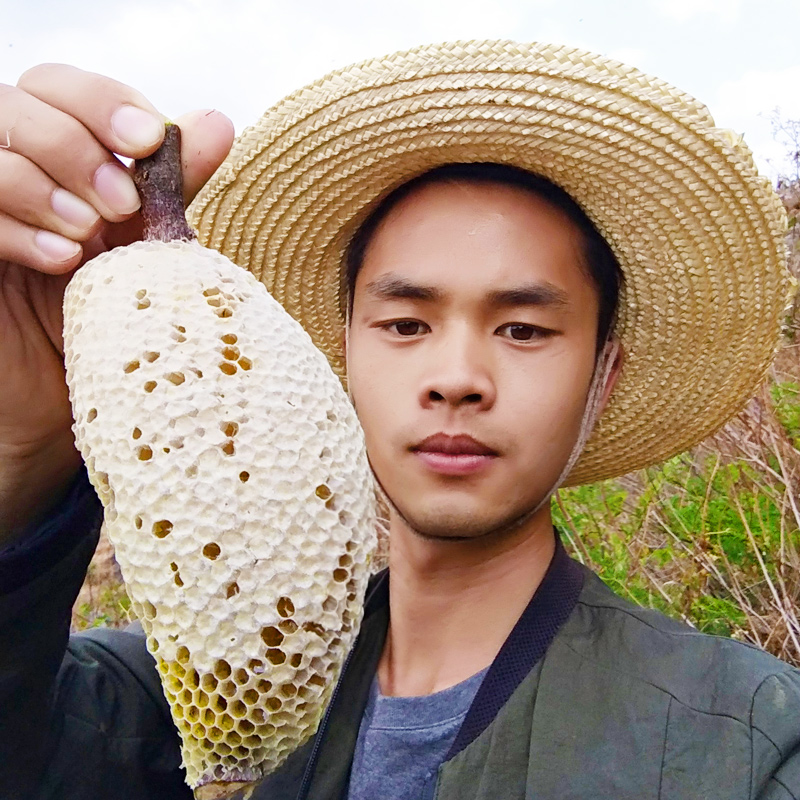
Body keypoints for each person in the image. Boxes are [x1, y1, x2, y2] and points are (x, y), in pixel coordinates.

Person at [0, 41, 798, 800]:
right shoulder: (161, 702)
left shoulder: (750, 742)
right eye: (406, 325)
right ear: (340, 353)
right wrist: (22, 450)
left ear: (603, 376)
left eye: (523, 329)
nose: (457, 380)